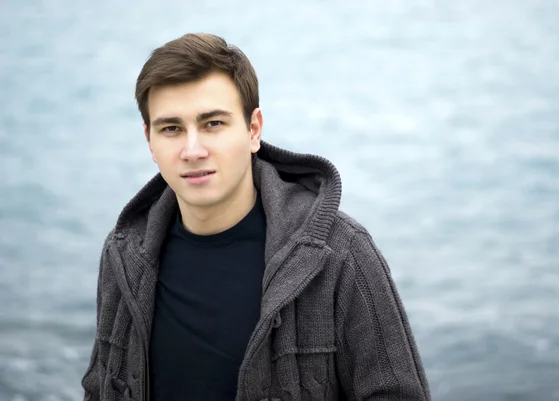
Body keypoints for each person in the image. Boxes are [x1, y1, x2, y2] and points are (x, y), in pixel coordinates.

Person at [81, 32, 431, 401]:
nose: (192, 149)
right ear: (149, 141)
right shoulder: (124, 253)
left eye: (213, 123)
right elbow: (100, 387)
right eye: (171, 129)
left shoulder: (339, 252)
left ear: (253, 130)